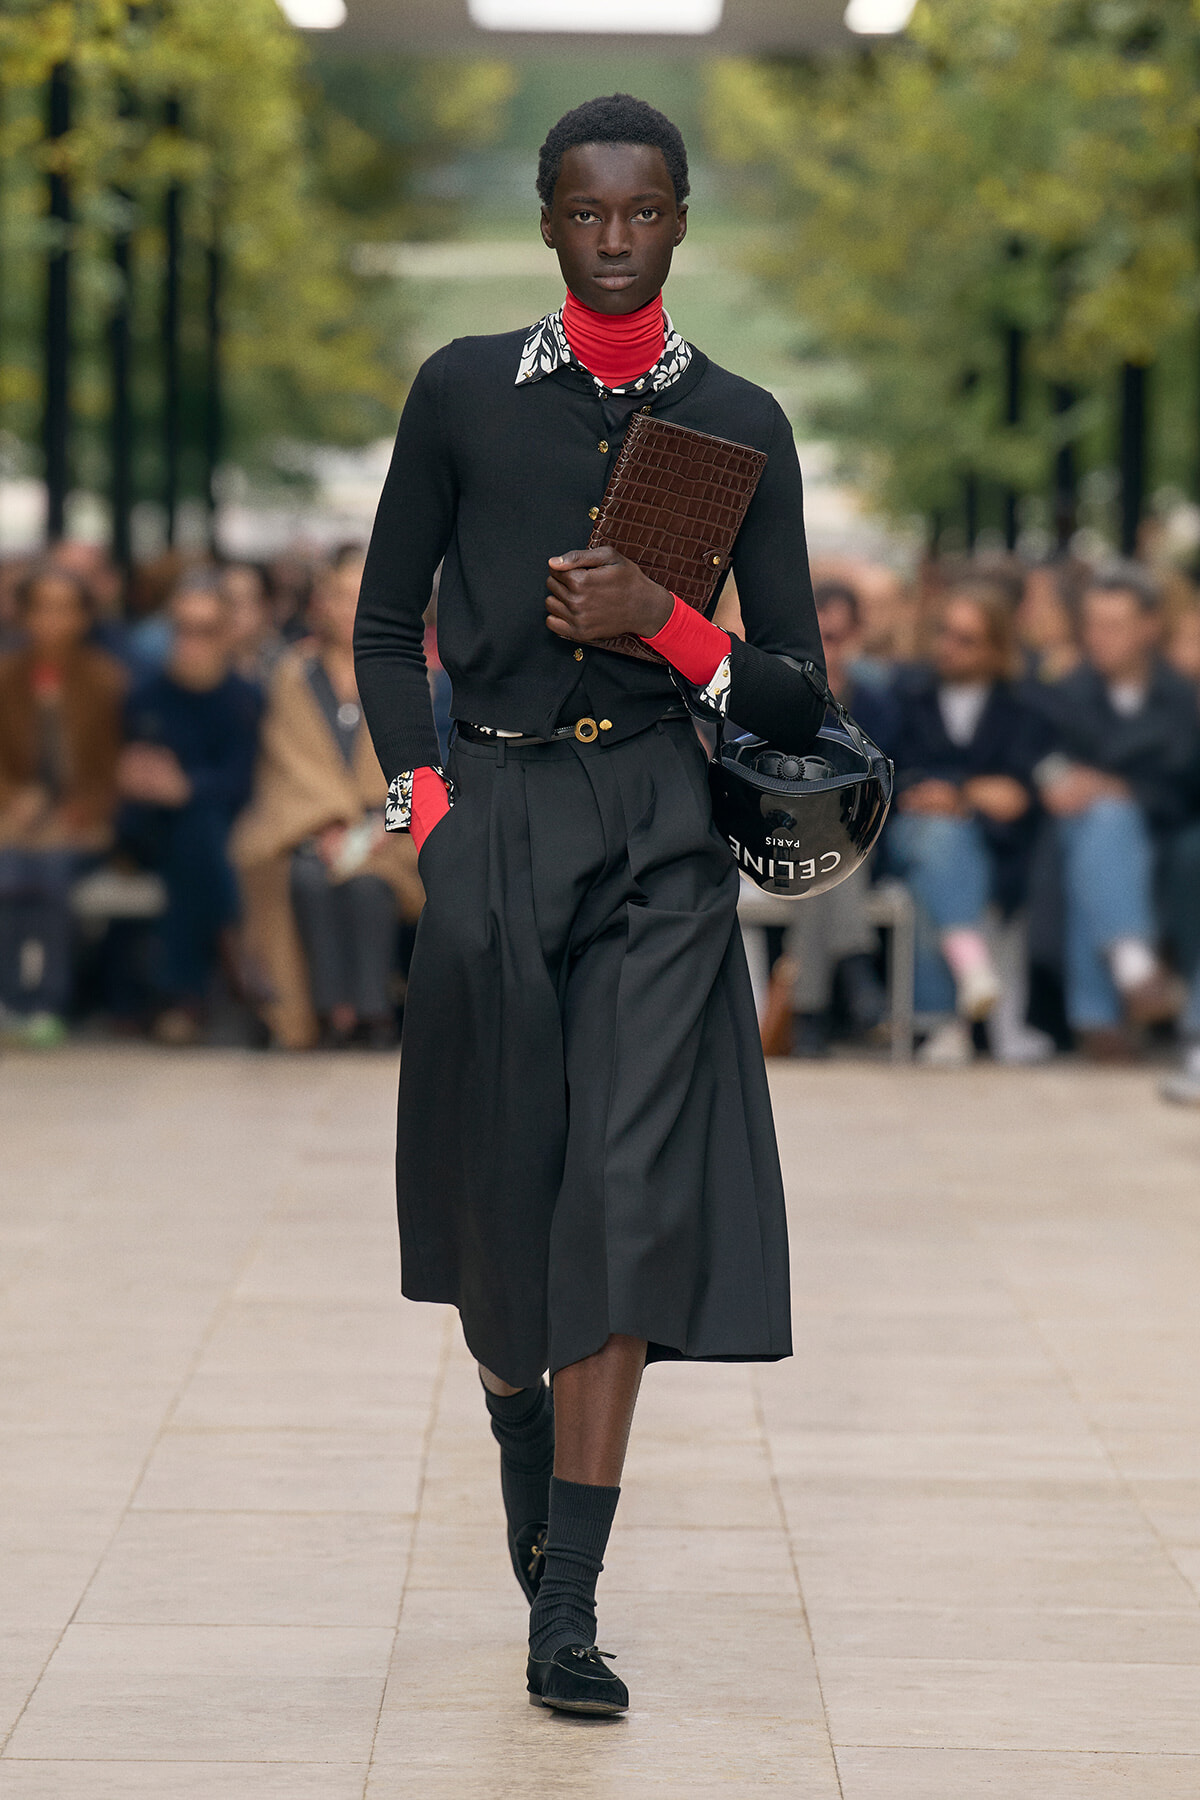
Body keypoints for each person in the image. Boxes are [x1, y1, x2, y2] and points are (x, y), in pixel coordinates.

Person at [353, 94, 827, 1716]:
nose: (613, 240)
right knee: (507, 1210)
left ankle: (571, 1607)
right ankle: (516, 1430)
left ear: (682, 217)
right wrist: (426, 813)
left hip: (658, 829)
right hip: (494, 815)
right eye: (584, 213)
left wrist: (668, 627)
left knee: (620, 1202)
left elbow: (796, 687)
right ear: (545, 218)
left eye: (642, 213)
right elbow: (378, 624)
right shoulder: (464, 394)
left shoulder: (744, 422)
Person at [232, 554, 423, 1050]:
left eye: (363, 595)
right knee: (306, 877)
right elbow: (284, 763)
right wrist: (322, 825)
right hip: (302, 829)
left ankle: (371, 1009)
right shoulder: (293, 675)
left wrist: (386, 827)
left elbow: (421, 757)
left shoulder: (408, 673)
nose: (350, 608)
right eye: (340, 594)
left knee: (368, 886)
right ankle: (323, 1012)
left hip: (394, 832)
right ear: (322, 600)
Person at [1034, 567, 1199, 1059]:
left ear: (1149, 627)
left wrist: (1119, 787)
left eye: (1114, 624)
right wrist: (1058, 784)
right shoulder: (1068, 690)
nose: (1098, 637)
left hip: (1163, 834)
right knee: (1102, 825)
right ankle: (1132, 969)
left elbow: (1185, 785)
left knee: (1107, 824)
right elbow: (1039, 759)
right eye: (1092, 623)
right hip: (1071, 830)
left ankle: (1099, 1016)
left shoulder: (1180, 697)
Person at [887, 579, 1050, 1066]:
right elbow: (885, 772)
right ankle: (971, 970)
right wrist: (966, 794)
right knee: (937, 838)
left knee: (940, 861)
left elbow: (1017, 797)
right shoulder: (906, 694)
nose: (948, 648)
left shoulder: (1024, 709)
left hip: (993, 849)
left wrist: (957, 793)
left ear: (997, 648)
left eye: (966, 639)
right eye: (944, 633)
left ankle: (942, 1022)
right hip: (907, 831)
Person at [117, 573, 262, 1044]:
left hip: (211, 830)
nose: (191, 643)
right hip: (145, 829)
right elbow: (124, 772)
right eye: (182, 629)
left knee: (197, 833)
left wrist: (188, 788)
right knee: (196, 835)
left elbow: (243, 781)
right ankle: (235, 956)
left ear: (226, 634)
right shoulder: (145, 696)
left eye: (204, 630)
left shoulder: (245, 699)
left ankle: (184, 994)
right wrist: (135, 777)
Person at [758, 580, 895, 1057]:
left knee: (829, 859)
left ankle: (811, 1014)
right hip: (773, 843)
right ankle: (856, 968)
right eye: (816, 638)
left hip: (858, 845)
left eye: (834, 638)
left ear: (855, 636)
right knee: (822, 855)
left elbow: (893, 784)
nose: (824, 650)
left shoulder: (877, 702)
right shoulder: (770, 694)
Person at [0, 565, 126, 1043]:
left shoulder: (105, 680)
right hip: (14, 820)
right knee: (11, 871)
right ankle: (13, 997)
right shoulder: (7, 677)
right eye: (42, 608)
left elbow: (111, 765)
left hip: (82, 819)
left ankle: (49, 999)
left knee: (50, 873)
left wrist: (82, 806)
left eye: (64, 609)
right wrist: (15, 801)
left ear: (82, 617)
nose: (52, 621)